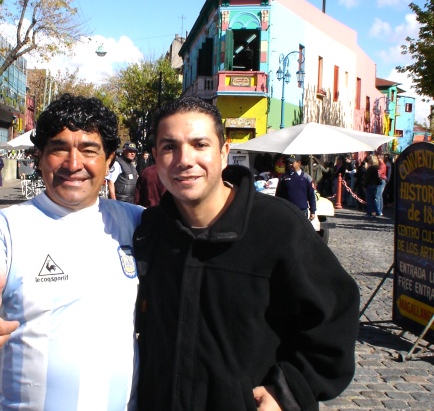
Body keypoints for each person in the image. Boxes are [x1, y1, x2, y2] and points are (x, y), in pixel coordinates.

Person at [133, 96, 360, 411]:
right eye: (169, 147)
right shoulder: (151, 230)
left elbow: (335, 315)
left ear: (224, 153)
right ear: (155, 157)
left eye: (200, 145)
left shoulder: (277, 226)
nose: (184, 159)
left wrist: (289, 390)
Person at [0, 93, 143, 409]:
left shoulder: (137, 223)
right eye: (59, 149)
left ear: (110, 159)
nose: (74, 165)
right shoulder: (6, 227)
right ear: (40, 157)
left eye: (89, 150)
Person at [275, 154, 317, 220]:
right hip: (288, 210)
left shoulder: (306, 178)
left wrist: (313, 211)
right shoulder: (284, 177)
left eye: (292, 163)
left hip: (302, 211)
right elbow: (278, 195)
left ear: (299, 163)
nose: (290, 165)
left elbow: (311, 196)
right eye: (289, 163)